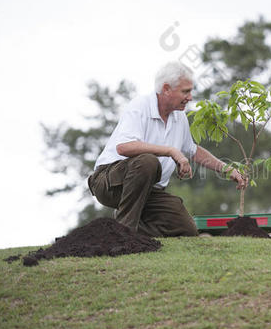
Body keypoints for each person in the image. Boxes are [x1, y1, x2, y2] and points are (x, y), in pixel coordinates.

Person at [88, 61, 246, 237]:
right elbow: (124, 147)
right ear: (166, 89)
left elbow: (192, 150)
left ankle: (117, 230)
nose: (190, 97)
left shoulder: (180, 118)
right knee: (148, 162)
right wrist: (171, 151)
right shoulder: (140, 106)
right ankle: (125, 235)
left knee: (186, 229)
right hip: (109, 183)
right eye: (185, 91)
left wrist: (226, 168)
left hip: (148, 190)